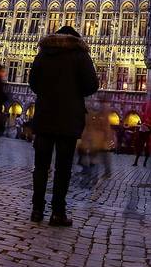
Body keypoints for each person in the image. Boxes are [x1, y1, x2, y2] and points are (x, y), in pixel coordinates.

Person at [28, 25, 98, 227]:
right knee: (63, 168)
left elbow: (33, 82)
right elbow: (92, 85)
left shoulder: (43, 53)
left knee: (41, 166)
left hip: (45, 115)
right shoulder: (80, 54)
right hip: (69, 118)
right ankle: (58, 212)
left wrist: (46, 94)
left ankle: (37, 209)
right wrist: (74, 93)